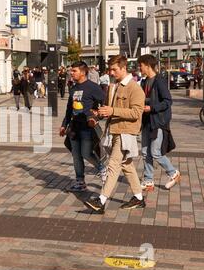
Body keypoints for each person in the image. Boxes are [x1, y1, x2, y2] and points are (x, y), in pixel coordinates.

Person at [84, 55, 145, 214]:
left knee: (113, 165)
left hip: (126, 132)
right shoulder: (114, 86)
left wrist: (112, 111)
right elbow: (110, 109)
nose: (111, 72)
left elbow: (136, 113)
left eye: (114, 69)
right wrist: (101, 113)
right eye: (110, 69)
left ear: (124, 68)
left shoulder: (135, 88)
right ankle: (138, 198)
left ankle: (101, 200)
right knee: (127, 165)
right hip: (113, 131)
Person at [60, 61, 107, 192]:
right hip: (74, 128)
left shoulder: (93, 87)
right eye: (71, 71)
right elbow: (69, 108)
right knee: (76, 155)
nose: (71, 73)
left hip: (87, 127)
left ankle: (102, 168)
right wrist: (64, 125)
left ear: (83, 72)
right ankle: (80, 182)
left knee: (86, 153)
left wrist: (98, 116)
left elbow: (105, 103)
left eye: (74, 71)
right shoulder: (73, 88)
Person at [138, 54, 180, 192]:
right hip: (146, 122)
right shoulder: (144, 82)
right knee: (145, 152)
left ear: (147, 65)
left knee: (155, 152)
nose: (139, 68)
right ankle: (148, 180)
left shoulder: (159, 81)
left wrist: (152, 108)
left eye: (141, 65)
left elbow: (168, 101)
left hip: (157, 122)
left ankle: (173, 173)